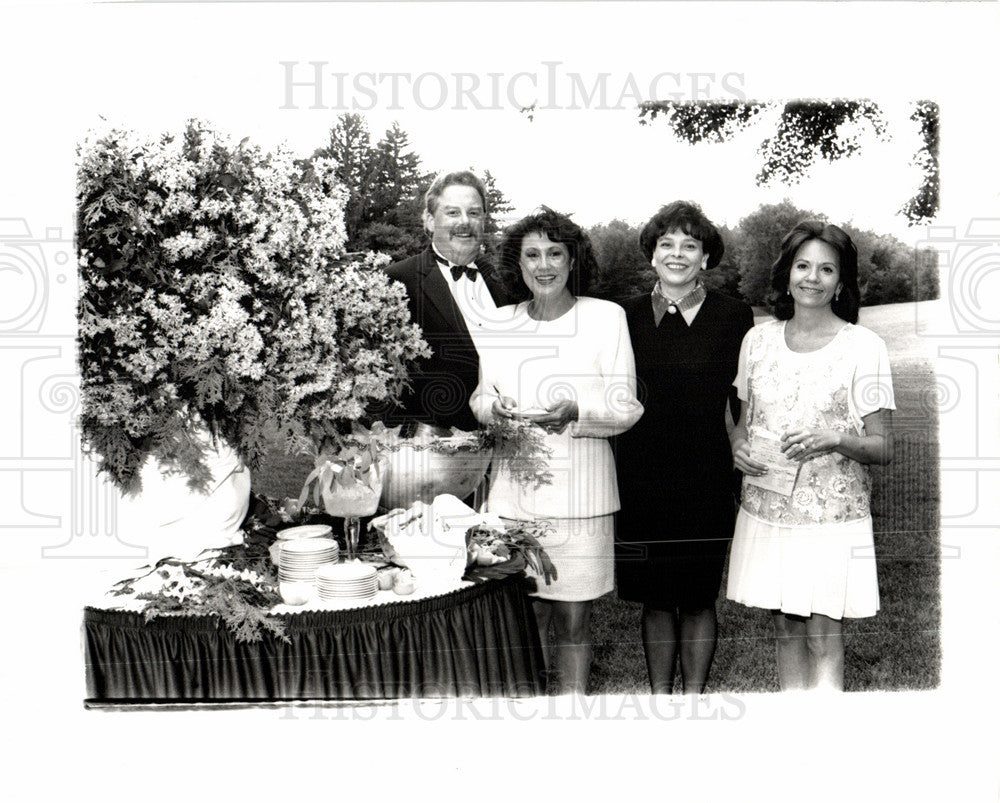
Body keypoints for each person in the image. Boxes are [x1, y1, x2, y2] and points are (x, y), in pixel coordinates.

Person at [470, 207, 643, 695]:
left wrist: (576, 411)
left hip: (581, 500)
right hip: (510, 501)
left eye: (555, 253)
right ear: (517, 263)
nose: (543, 265)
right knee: (520, 623)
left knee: (571, 623)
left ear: (573, 260)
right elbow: (481, 397)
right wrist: (494, 408)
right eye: (532, 255)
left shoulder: (606, 317)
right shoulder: (498, 323)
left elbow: (625, 405)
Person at [727, 221, 895, 691]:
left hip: (831, 519)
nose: (812, 278)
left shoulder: (863, 347)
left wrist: (835, 439)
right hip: (766, 511)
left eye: (826, 269)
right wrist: (738, 448)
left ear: (841, 282)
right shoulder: (757, 341)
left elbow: (884, 446)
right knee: (785, 631)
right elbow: (743, 424)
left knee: (823, 637)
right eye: (803, 265)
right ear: (786, 274)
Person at [614, 201, 754, 694]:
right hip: (639, 478)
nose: (677, 254)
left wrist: (742, 446)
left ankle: (692, 701)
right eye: (666, 244)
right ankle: (660, 700)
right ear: (651, 255)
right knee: (655, 599)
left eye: (689, 245)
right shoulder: (622, 317)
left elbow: (745, 402)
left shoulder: (734, 317)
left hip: (706, 478)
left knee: (697, 599)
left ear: (706, 258)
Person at [385, 170, 513, 432]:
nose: (465, 222)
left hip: (504, 455)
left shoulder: (507, 284)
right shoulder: (396, 282)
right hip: (427, 455)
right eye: (452, 213)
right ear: (430, 220)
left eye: (474, 213)